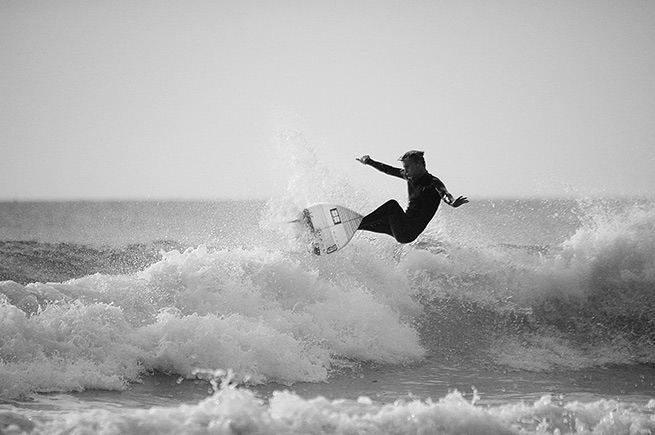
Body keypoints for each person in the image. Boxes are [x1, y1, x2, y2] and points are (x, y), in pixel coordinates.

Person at [356, 150, 468, 243]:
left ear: (419, 164)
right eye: (404, 167)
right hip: (400, 225)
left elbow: (444, 194)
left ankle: (357, 223)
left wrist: (452, 202)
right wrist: (369, 161)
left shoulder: (433, 183)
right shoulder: (408, 176)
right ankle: (353, 227)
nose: (405, 170)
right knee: (374, 221)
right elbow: (388, 169)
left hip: (408, 232)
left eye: (408, 167)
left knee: (392, 206)